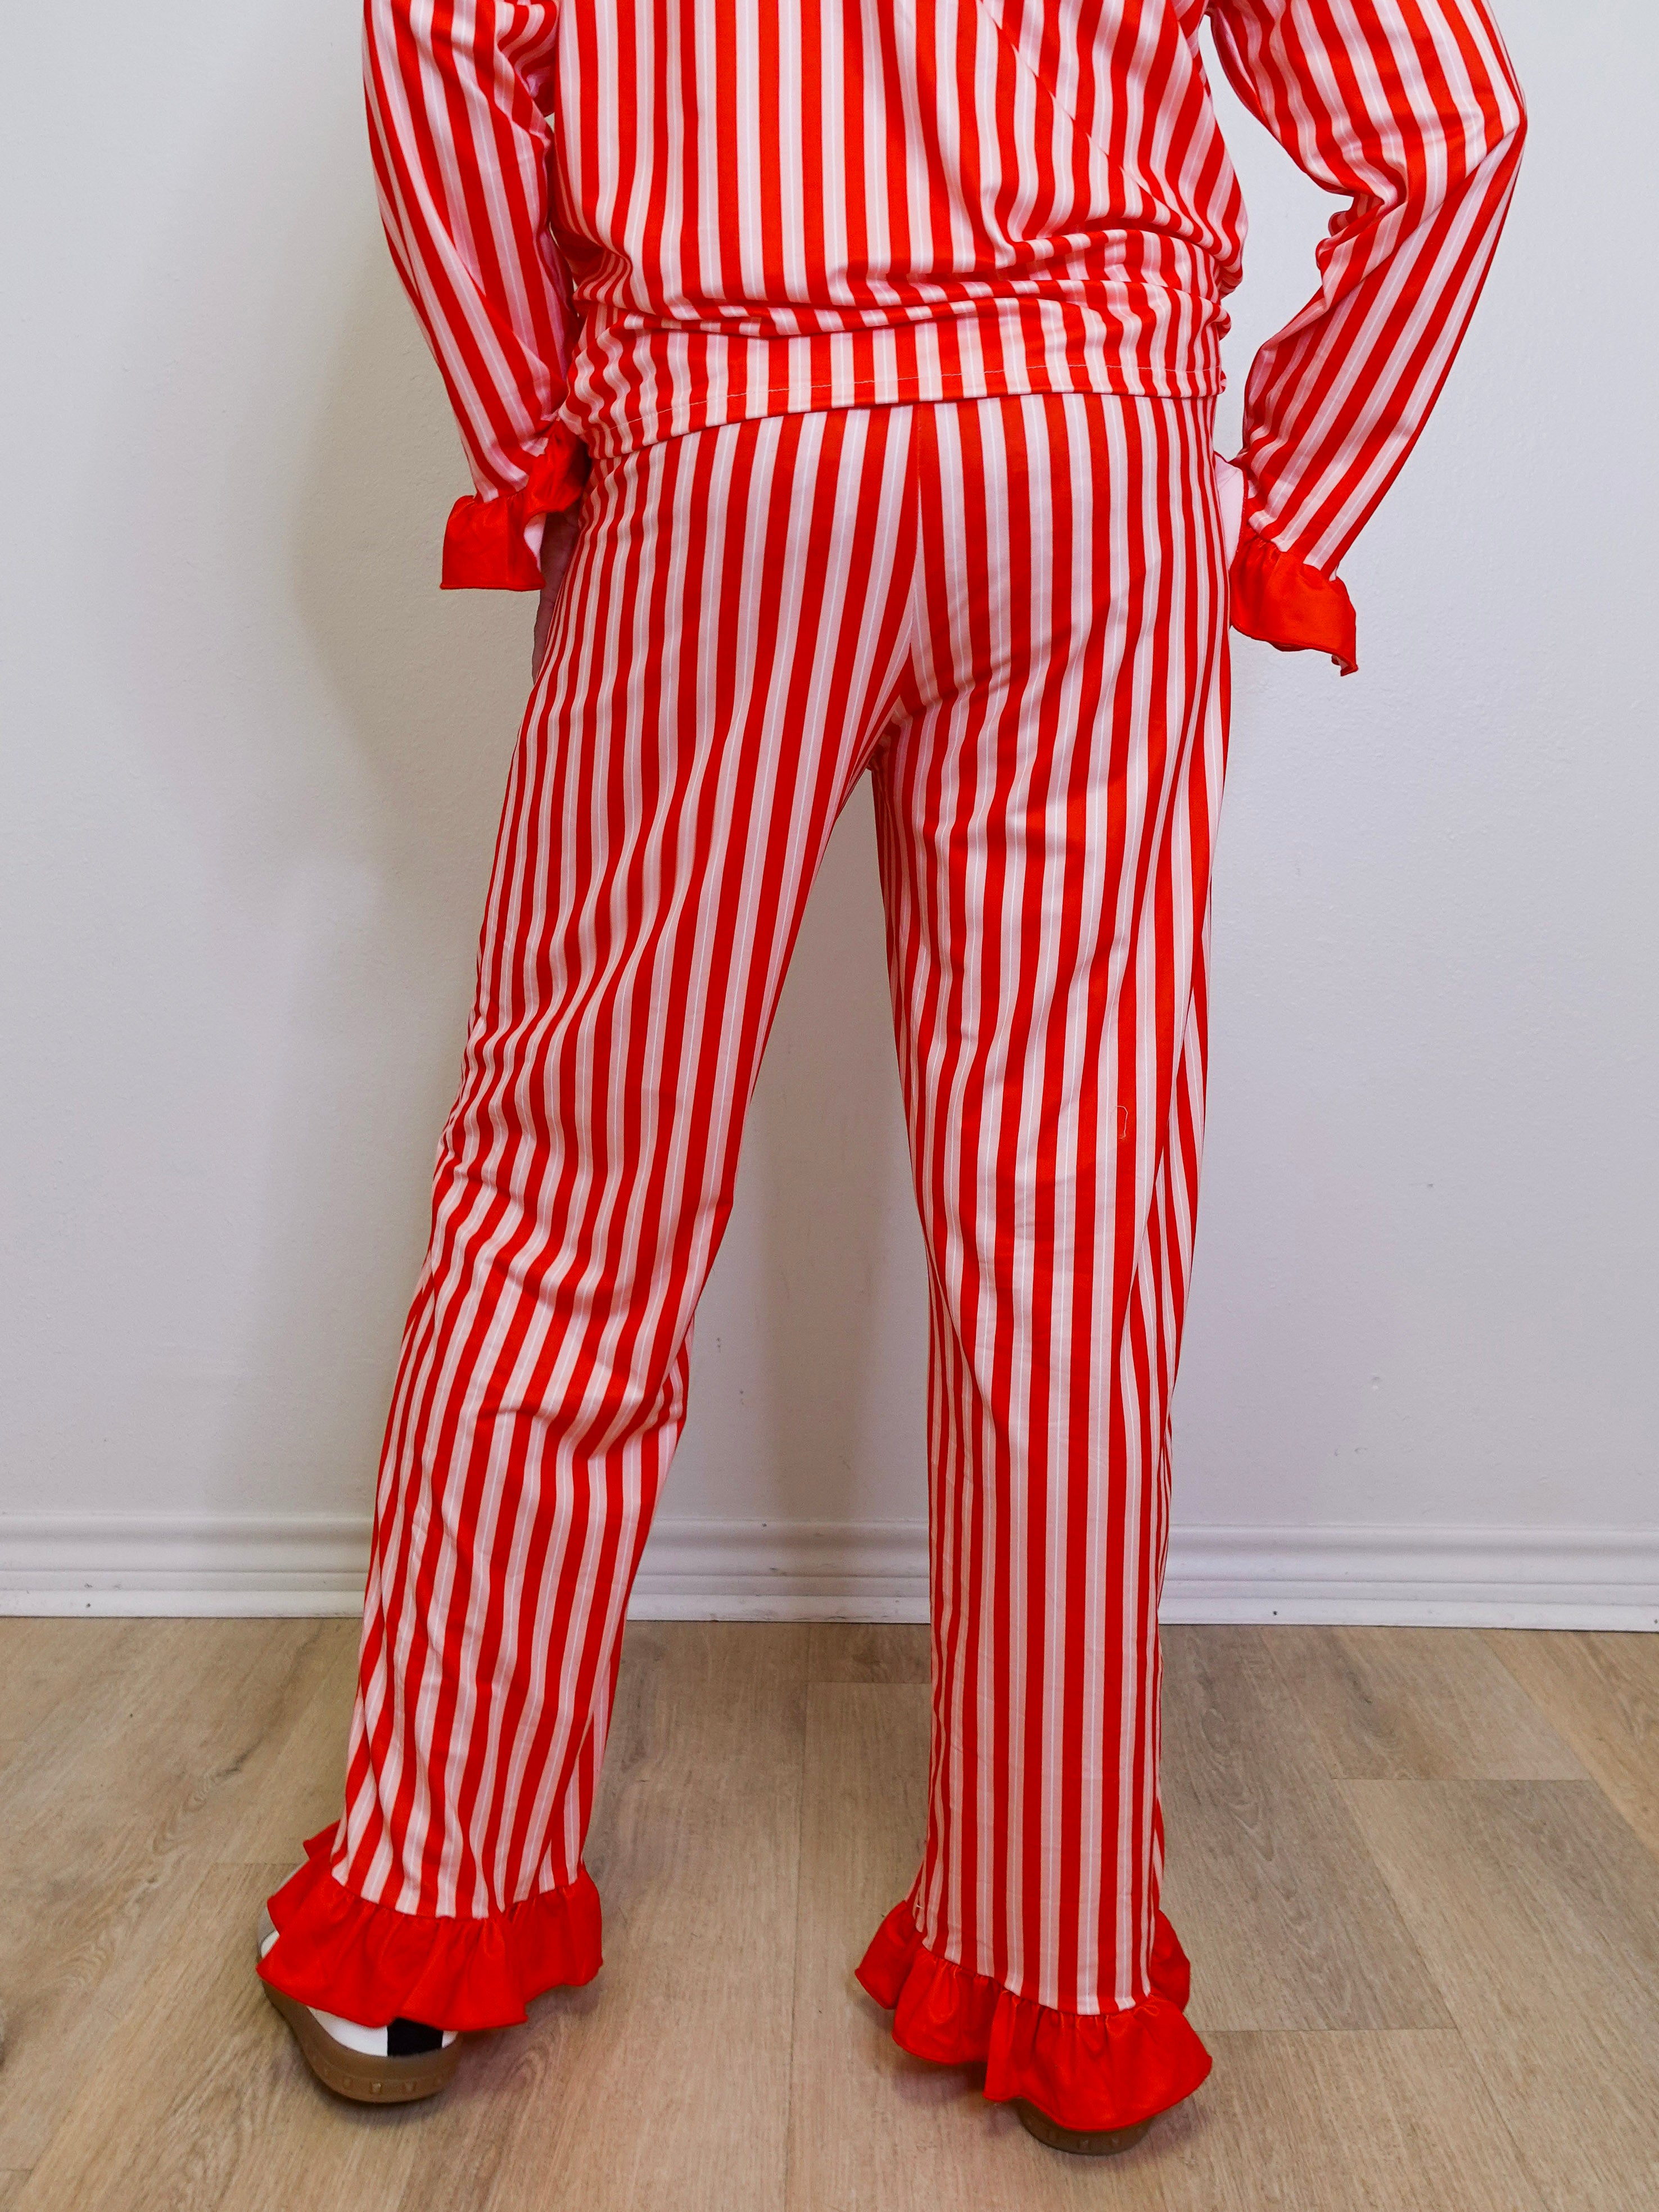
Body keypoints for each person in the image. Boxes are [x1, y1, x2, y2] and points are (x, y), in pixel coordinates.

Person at [255, 0, 1525, 2153]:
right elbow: (1451, 130)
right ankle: (1062, 1941)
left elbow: (439, 53)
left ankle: (431, 1890)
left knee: (580, 1177)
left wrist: (538, 421)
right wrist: (1277, 490)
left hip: (727, 440)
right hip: (1091, 457)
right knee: (1068, 1219)